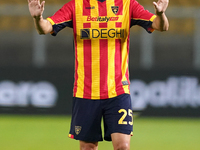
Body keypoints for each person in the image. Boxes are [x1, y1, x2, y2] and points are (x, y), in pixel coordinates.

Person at [28, 0, 169, 149]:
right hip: (86, 93)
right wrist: (38, 18)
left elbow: (161, 26)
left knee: (123, 147)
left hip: (118, 91)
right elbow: (45, 28)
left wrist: (160, 14)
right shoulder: (76, 6)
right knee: (88, 147)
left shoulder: (128, 5)